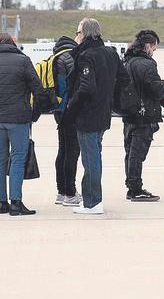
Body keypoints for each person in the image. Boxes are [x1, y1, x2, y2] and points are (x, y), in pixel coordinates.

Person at [64, 18, 130, 214]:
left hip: (87, 114)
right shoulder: (110, 53)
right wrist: (108, 95)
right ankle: (92, 199)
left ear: (85, 33)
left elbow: (86, 87)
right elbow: (124, 78)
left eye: (78, 32)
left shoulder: (86, 55)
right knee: (95, 156)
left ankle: (93, 202)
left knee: (90, 158)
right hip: (103, 112)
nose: (76, 36)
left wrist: (71, 105)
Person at [0, 33, 46, 216]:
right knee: (17, 159)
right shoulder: (23, 61)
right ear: (13, 44)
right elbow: (38, 89)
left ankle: (1, 203)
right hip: (18, 118)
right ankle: (16, 203)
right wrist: (34, 114)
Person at [122, 30, 164, 202]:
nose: (153, 52)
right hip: (144, 114)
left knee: (129, 151)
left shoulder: (127, 61)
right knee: (137, 153)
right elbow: (154, 88)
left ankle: (132, 186)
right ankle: (135, 188)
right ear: (148, 46)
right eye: (154, 49)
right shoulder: (146, 64)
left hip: (129, 113)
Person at [52, 35, 81, 206]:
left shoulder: (55, 57)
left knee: (62, 150)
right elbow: (69, 86)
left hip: (58, 109)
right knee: (72, 151)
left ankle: (61, 191)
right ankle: (70, 192)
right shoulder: (70, 57)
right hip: (70, 109)